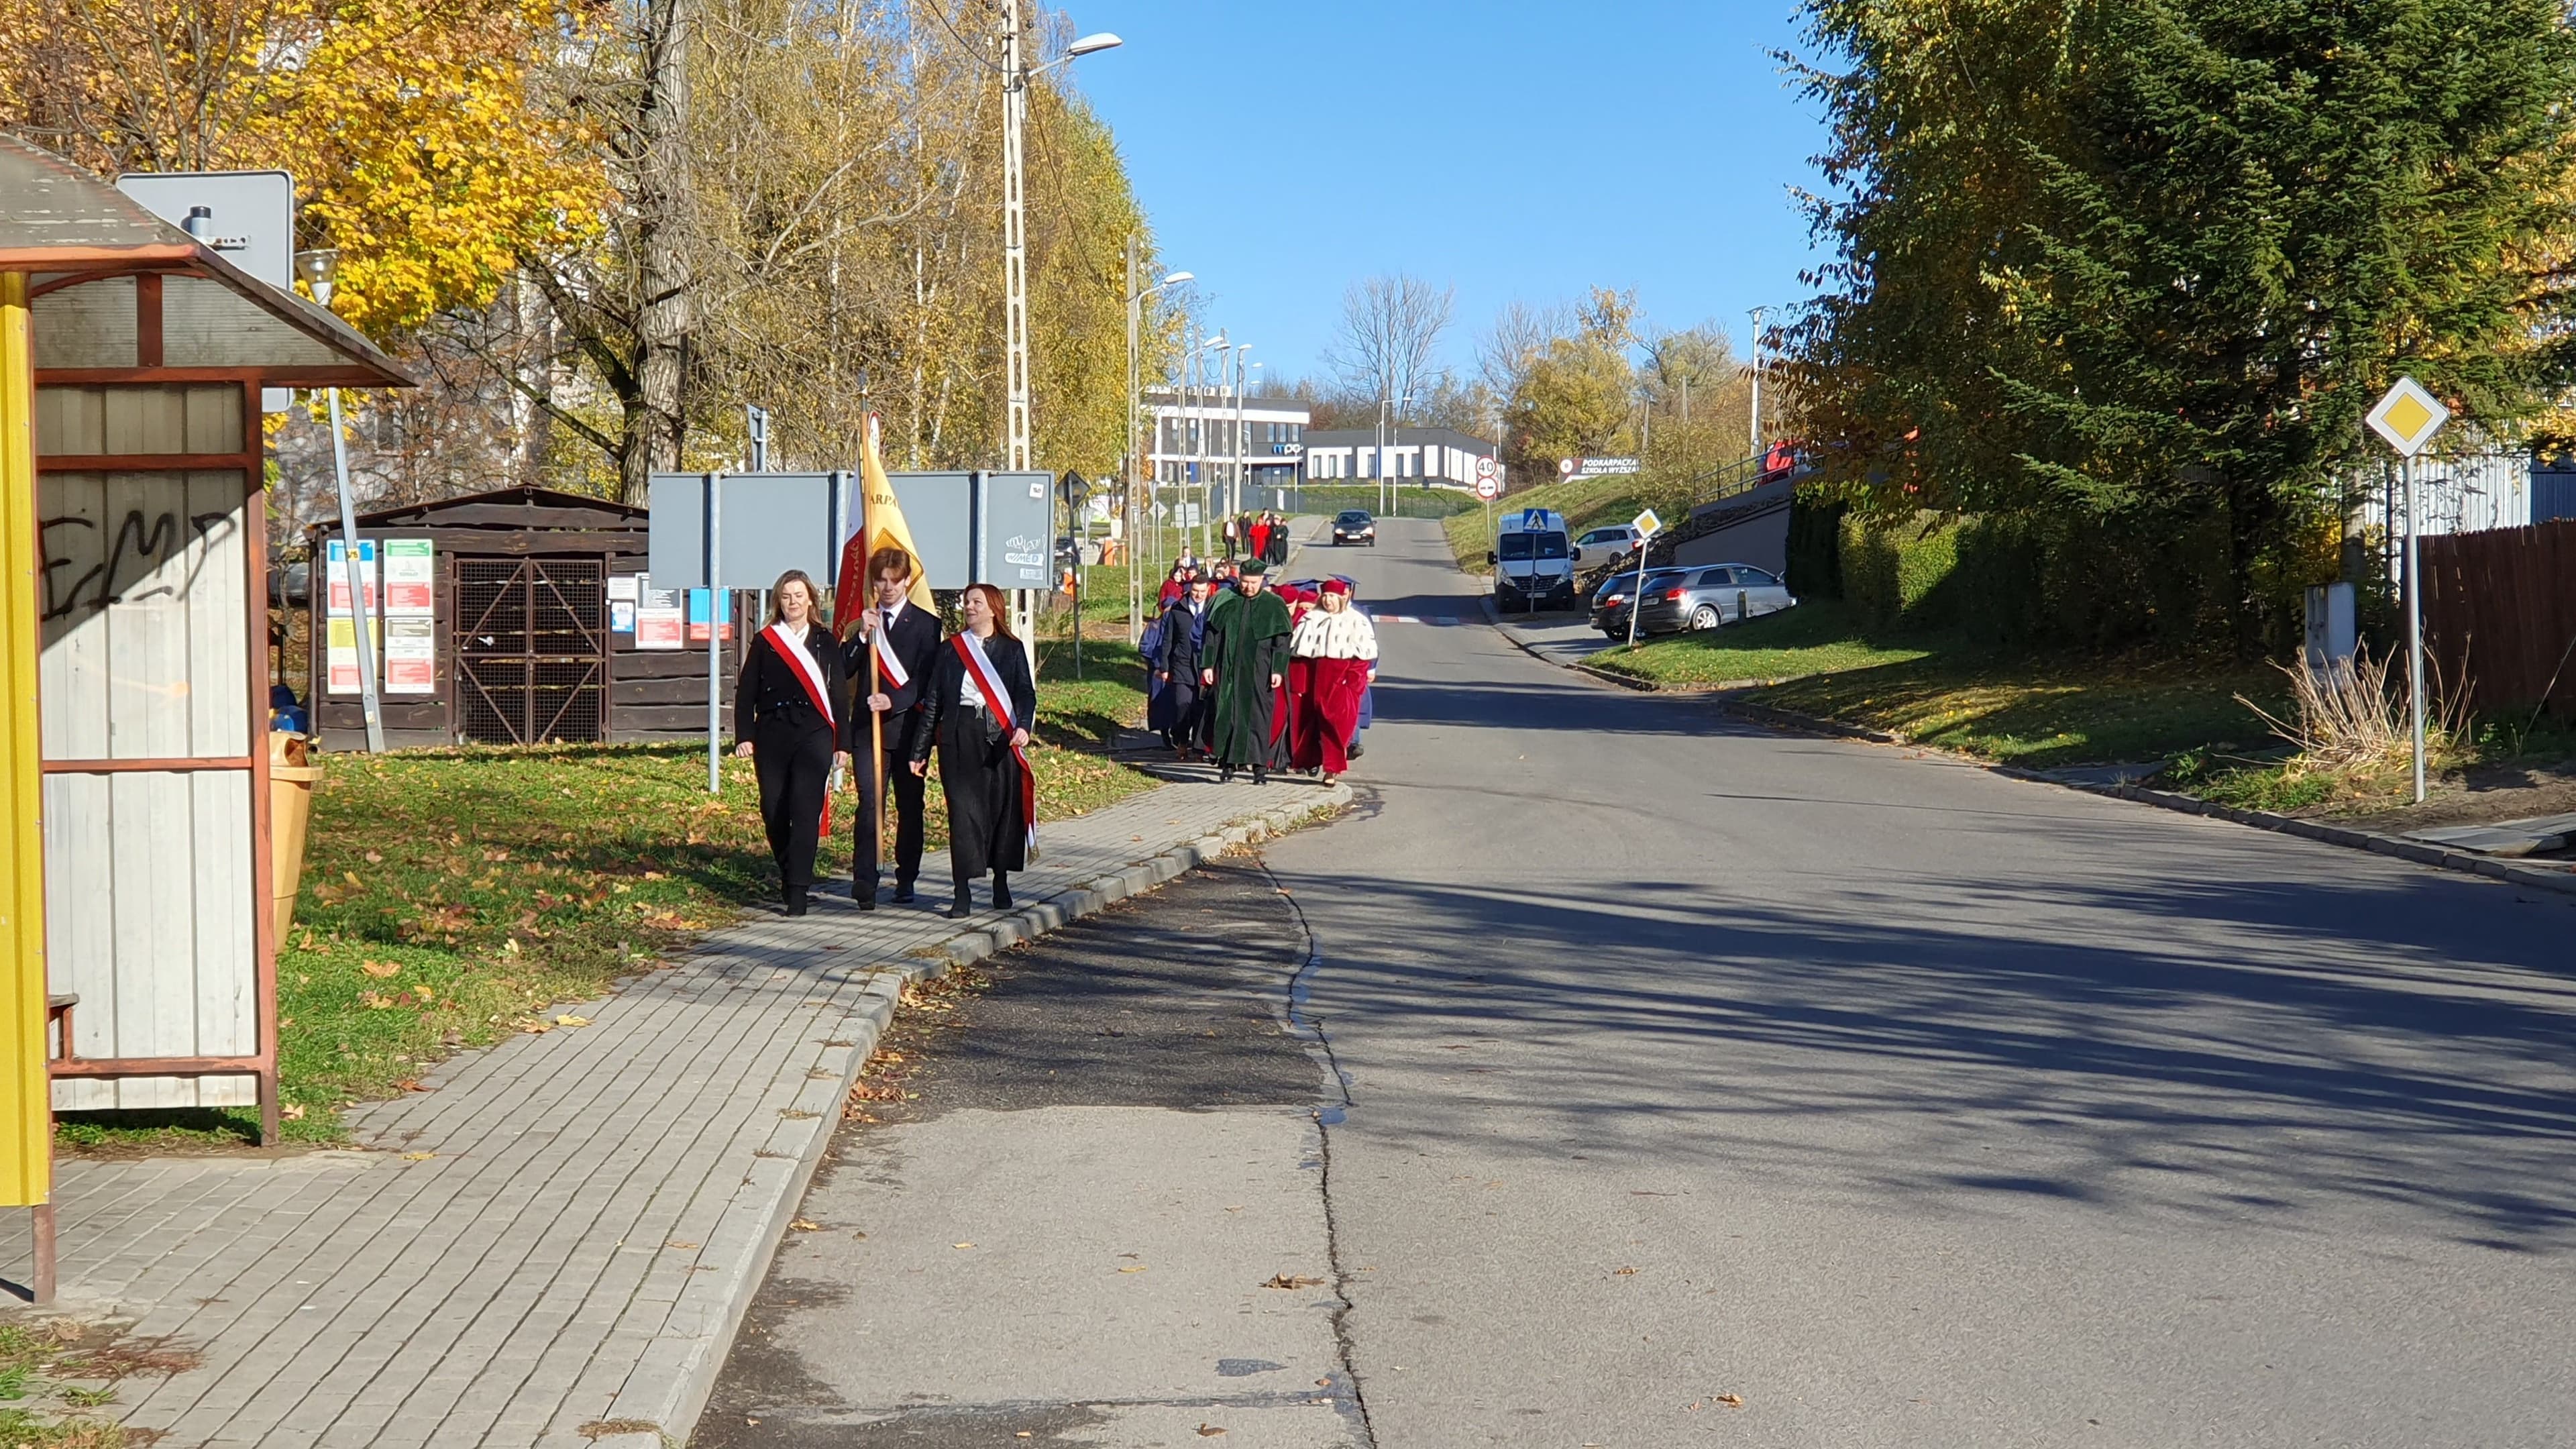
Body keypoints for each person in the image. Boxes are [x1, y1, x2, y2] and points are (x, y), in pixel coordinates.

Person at [910, 582, 1036, 918]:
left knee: (1000, 810)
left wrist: (1023, 726)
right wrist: (920, 750)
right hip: (958, 738)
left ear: (994, 608)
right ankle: (961, 891)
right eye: (967, 602)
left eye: (977, 602)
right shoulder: (951, 650)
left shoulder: (1011, 649)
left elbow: (1025, 693)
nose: (969, 607)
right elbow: (934, 700)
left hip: (1000, 737)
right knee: (963, 814)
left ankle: (1000, 881)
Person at [733, 570, 849, 916]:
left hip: (814, 733)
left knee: (804, 809)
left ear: (810, 599)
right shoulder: (766, 640)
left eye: (799, 595)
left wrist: (842, 741)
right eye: (786, 596)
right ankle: (788, 871)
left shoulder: (824, 641)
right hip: (772, 732)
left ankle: (799, 889)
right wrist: (744, 736)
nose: (793, 602)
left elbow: (839, 695)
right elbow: (746, 693)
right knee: (773, 808)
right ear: (778, 602)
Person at [843, 545, 943, 908]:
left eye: (894, 582)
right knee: (870, 802)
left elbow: (926, 679)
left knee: (910, 804)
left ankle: (906, 877)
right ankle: (865, 879)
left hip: (908, 729)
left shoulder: (927, 625)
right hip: (867, 731)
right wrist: (861, 638)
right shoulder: (863, 623)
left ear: (906, 582)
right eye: (881, 581)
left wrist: (894, 701)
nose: (887, 588)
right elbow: (843, 669)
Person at [1199, 559, 1293, 783]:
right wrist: (1208, 665)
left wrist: (1278, 669)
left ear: (1262, 580)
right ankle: (1229, 764)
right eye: (1244, 582)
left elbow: (1282, 642)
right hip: (1228, 667)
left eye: (1253, 582)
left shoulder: (1273, 605)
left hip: (1260, 670)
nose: (1247, 587)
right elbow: (1211, 637)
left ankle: (1260, 767)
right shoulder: (1226, 600)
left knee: (1258, 717)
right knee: (1228, 715)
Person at [1288, 578, 1379, 780]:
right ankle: (1310, 761)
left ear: (1342, 598)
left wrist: (1351, 682)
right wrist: (1300, 683)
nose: (1329, 601)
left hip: (1342, 682)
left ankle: (1332, 769)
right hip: (1314, 679)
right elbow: (1298, 657)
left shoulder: (1355, 620)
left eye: (1333, 597)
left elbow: (1363, 659)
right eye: (1326, 596)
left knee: (1337, 726)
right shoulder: (1311, 618)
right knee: (1310, 724)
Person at [1152, 573, 1219, 755]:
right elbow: (1168, 639)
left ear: (1208, 591)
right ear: (1190, 589)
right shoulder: (1178, 609)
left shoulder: (1213, 610)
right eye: (1195, 591)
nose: (1198, 595)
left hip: (1204, 665)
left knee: (1200, 708)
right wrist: (1164, 666)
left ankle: (1198, 748)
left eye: (1202, 592)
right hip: (1182, 664)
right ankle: (1182, 740)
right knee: (1182, 704)